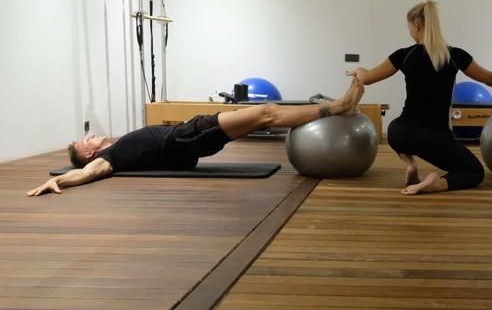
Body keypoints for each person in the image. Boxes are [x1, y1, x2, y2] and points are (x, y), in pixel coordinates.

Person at [26, 78, 364, 196]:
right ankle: (338, 107)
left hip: (189, 137)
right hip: (187, 136)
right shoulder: (106, 160)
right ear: (87, 154)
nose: (91, 136)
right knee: (267, 112)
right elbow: (87, 174)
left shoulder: (114, 147)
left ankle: (336, 107)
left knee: (265, 115)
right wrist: (60, 182)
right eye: (83, 141)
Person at [348, 0, 492, 195]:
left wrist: (358, 70)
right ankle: (437, 183)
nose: (409, 32)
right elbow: (491, 78)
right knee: (474, 172)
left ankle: (410, 164)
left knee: (394, 128)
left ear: (417, 25)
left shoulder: (404, 55)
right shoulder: (455, 56)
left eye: (409, 27)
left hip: (401, 133)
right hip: (435, 138)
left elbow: (367, 78)